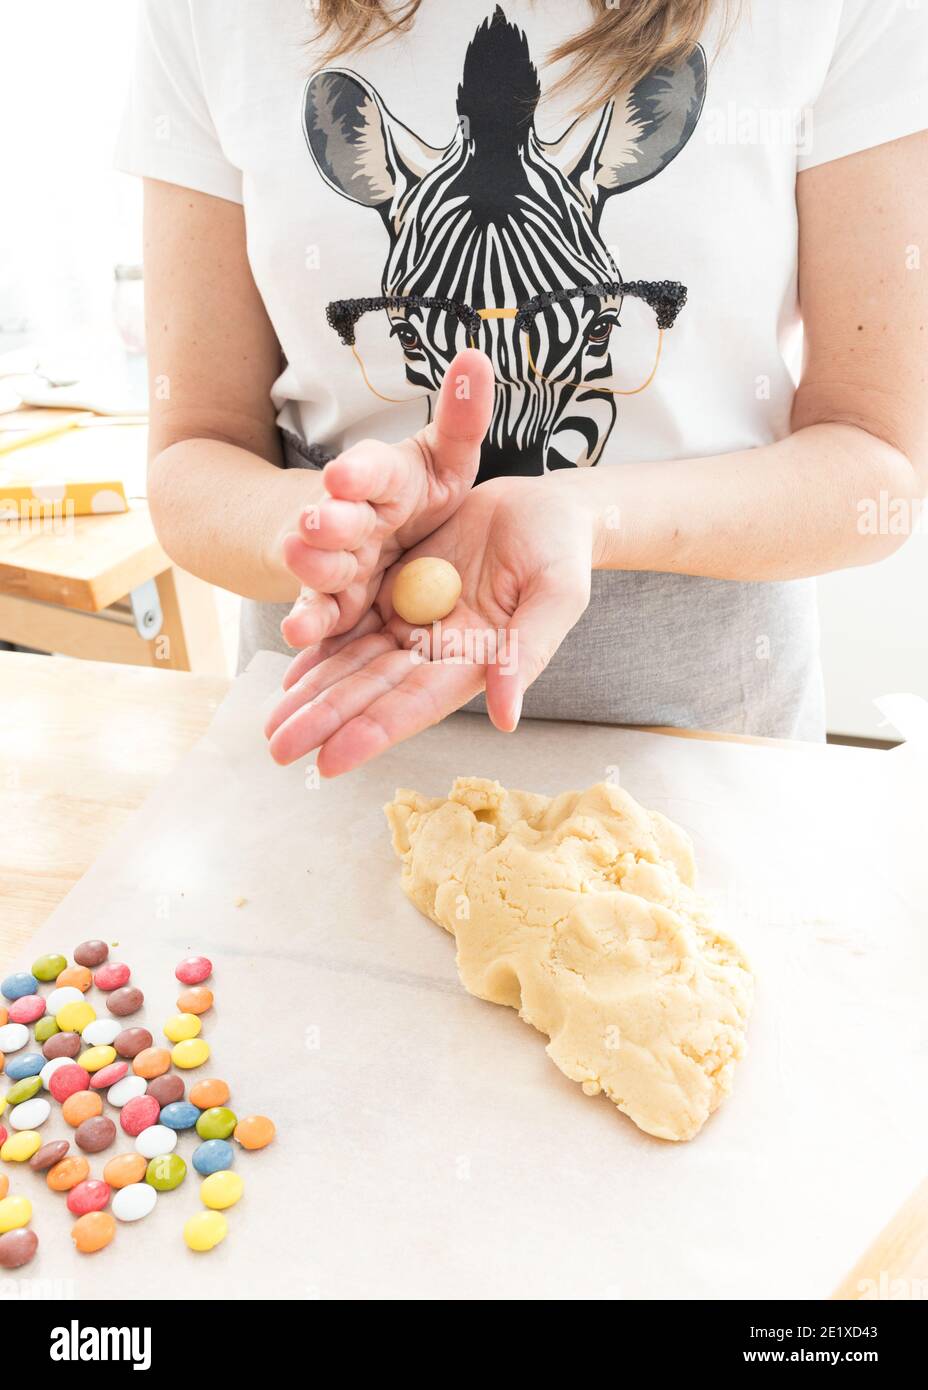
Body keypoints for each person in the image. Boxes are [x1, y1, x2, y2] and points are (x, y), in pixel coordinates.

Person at [117, 0, 928, 776]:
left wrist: (586, 517)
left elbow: (875, 460)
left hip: (709, 751)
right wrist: (338, 544)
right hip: (331, 731)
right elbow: (196, 448)